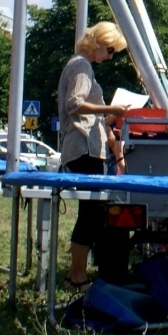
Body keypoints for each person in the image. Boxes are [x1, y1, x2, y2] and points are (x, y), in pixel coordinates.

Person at [58, 22, 131, 291]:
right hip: (83, 149)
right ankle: (76, 275)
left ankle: (76, 274)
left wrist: (110, 116)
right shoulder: (81, 66)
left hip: (87, 146)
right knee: (92, 214)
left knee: (91, 214)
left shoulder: (80, 65)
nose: (110, 57)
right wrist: (110, 107)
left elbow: (87, 113)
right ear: (98, 42)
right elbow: (74, 104)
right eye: (110, 50)